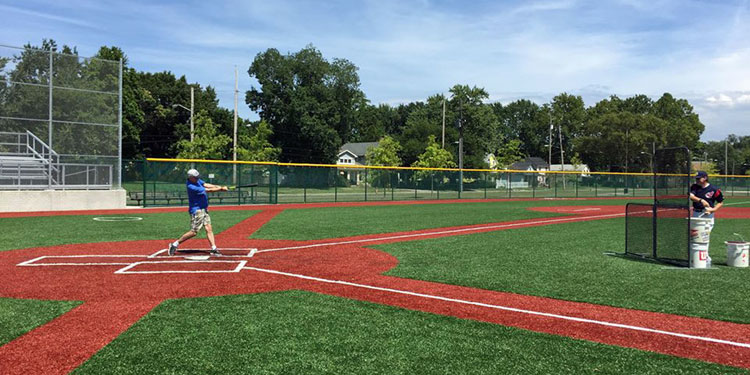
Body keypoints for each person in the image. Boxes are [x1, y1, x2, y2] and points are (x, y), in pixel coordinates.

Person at [168, 169, 228, 256]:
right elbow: (207, 190)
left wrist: (219, 186)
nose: (197, 179)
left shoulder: (197, 181)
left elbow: (206, 184)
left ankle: (214, 248)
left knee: (208, 228)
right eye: (195, 178)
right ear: (190, 178)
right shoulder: (191, 186)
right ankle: (174, 244)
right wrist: (221, 189)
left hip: (204, 209)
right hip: (197, 210)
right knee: (194, 232)